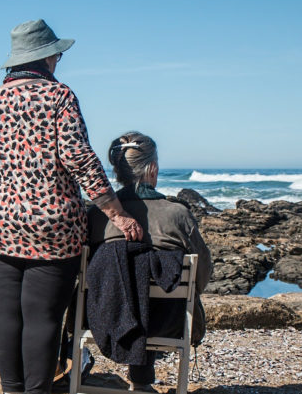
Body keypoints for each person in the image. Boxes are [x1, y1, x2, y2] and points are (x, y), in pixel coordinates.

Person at [0, 19, 143, 394]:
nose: (59, 59)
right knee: (43, 317)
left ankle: (12, 390)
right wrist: (117, 213)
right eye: (57, 53)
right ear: (46, 57)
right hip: (52, 225)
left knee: (7, 314)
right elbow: (79, 157)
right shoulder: (60, 96)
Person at [87, 131, 212, 392]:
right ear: (152, 168)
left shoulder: (97, 216)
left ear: (118, 171)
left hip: (102, 318)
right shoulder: (177, 214)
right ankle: (142, 383)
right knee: (156, 295)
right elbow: (202, 273)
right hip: (168, 321)